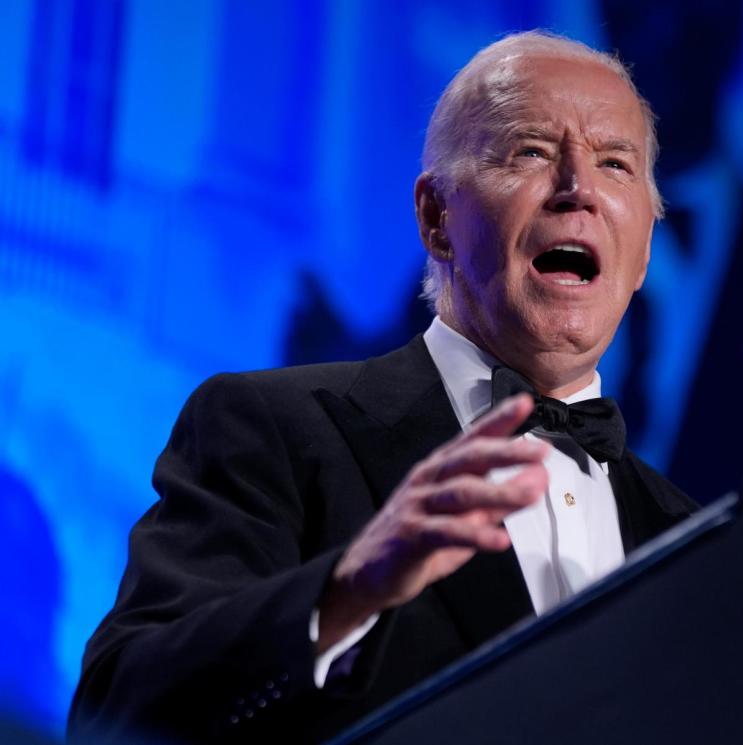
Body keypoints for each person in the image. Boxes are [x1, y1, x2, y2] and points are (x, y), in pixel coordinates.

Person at [69, 31, 697, 744]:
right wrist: (345, 592)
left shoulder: (692, 533)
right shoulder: (271, 427)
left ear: (644, 249)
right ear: (437, 218)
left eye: (615, 163)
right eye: (530, 151)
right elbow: (114, 713)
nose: (578, 189)